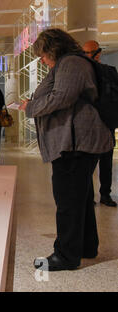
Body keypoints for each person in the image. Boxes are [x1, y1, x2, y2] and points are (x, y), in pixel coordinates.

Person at [19, 28, 114, 271]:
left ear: (53, 48)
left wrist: (31, 107)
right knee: (79, 197)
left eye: (42, 54)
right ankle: (86, 246)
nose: (42, 60)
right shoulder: (72, 62)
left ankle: (66, 255)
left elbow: (61, 97)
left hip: (75, 143)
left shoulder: (71, 62)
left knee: (68, 199)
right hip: (77, 141)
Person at [82, 40, 117, 207]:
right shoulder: (83, 73)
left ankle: (105, 194)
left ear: (98, 53)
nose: (88, 56)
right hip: (90, 125)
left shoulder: (109, 72)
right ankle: (89, 195)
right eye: (85, 53)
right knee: (88, 163)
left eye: (90, 53)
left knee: (106, 161)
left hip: (106, 123)